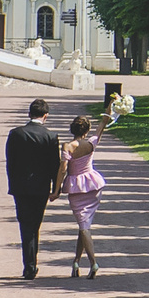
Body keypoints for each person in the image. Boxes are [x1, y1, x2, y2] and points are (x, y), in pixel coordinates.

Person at [4, 99, 62, 279]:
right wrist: (56, 189)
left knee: (25, 225)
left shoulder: (15, 134)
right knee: (35, 225)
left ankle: (29, 265)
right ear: (46, 116)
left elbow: (10, 162)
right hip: (41, 187)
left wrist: (13, 183)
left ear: (29, 114)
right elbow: (55, 165)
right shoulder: (51, 136)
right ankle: (31, 264)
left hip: (21, 187)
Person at [61, 110, 112, 277]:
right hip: (93, 185)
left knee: (83, 225)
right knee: (84, 225)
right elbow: (103, 123)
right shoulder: (91, 143)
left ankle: (93, 263)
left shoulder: (68, 146)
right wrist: (111, 105)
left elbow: (63, 169)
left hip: (76, 187)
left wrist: (56, 190)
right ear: (86, 130)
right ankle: (76, 261)